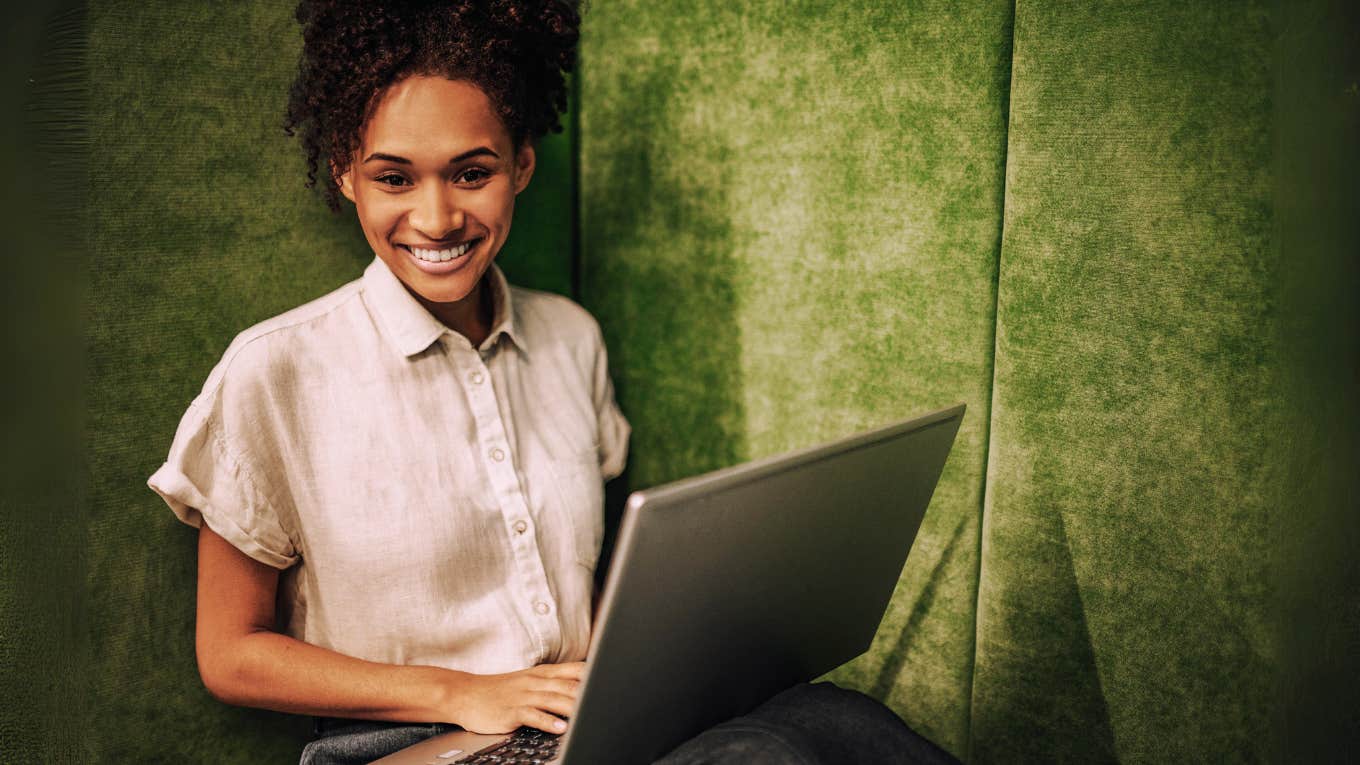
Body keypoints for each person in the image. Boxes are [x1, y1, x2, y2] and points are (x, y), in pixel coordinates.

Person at [146, 1, 958, 763]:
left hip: (575, 716)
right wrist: (467, 692)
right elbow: (229, 653)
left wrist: (656, 675)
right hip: (412, 744)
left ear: (521, 165)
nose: (435, 218)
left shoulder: (572, 337)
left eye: (472, 172)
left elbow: (589, 591)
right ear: (344, 176)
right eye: (395, 178)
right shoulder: (272, 370)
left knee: (846, 720)